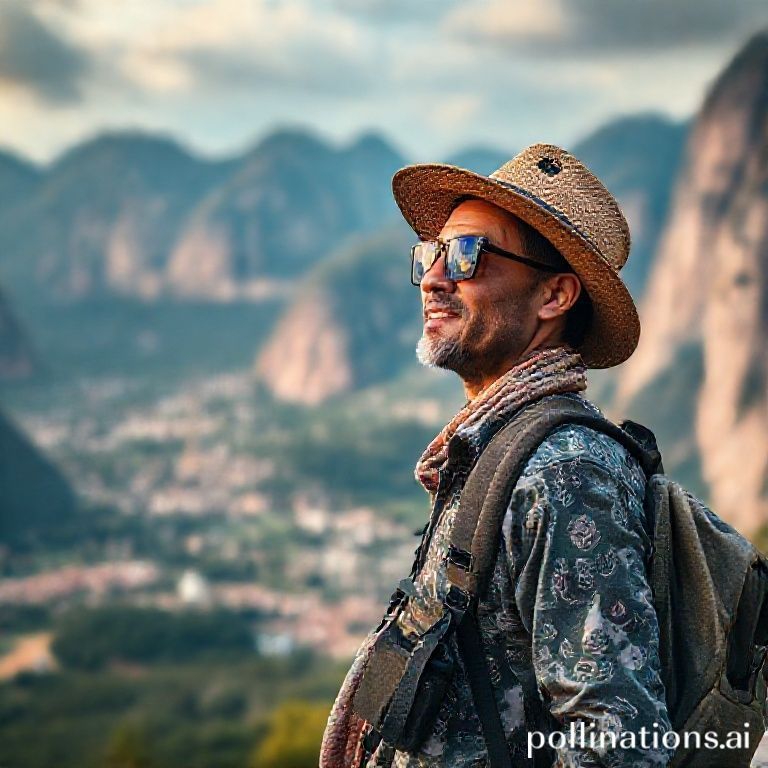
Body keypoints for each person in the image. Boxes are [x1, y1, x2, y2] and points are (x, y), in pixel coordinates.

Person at [321, 144, 672, 767]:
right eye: (431, 254)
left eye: (465, 255)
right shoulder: (498, 447)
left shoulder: (565, 471)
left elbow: (619, 743)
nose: (433, 278)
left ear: (554, 297)